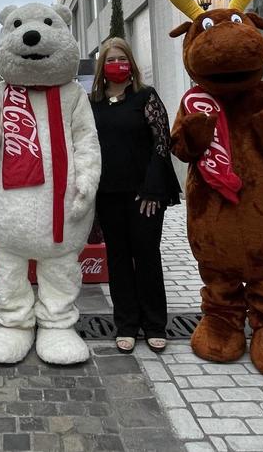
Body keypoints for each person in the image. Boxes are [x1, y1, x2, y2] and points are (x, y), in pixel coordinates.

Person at [89, 37, 181, 354]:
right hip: (108, 192)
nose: (117, 64)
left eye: (122, 58)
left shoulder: (146, 96)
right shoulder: (94, 102)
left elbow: (161, 142)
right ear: (103, 66)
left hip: (145, 194)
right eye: (111, 59)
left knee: (146, 256)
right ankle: (126, 324)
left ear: (131, 63)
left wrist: (153, 187)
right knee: (117, 258)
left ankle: (155, 324)